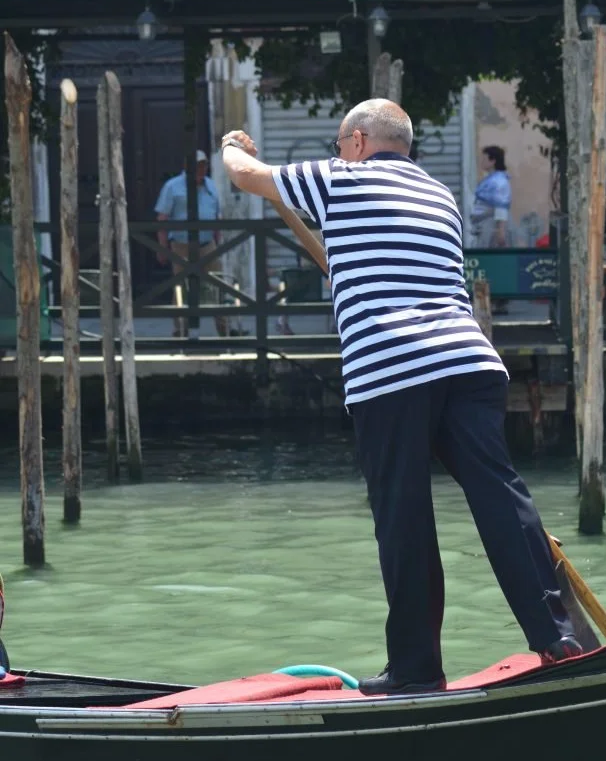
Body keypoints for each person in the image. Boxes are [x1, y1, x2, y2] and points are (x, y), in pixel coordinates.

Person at [221, 100, 582, 697]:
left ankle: (416, 667)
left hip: (392, 371)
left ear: (358, 141)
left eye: (341, 145)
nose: (338, 155)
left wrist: (233, 142)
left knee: (405, 517)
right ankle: (555, 630)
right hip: (469, 363)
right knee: (499, 495)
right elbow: (342, 260)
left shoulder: (341, 178)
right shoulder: (439, 197)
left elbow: (242, 176)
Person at [155, 151, 226, 338]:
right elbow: (162, 219)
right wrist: (162, 248)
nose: (201, 169)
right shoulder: (172, 187)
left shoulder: (210, 185)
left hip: (206, 243)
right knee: (181, 287)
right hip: (181, 244)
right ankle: (181, 330)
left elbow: (217, 216)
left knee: (217, 284)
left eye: (204, 165)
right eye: (198, 165)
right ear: (187, 167)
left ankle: (225, 329)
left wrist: (218, 242)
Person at [470, 145, 513, 315]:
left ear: (492, 160)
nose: (481, 161)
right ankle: (489, 300)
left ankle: (498, 301)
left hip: (491, 227)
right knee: (486, 263)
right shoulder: (492, 179)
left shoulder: (499, 182)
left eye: (484, 158)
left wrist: (500, 230)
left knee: (492, 263)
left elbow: (501, 207)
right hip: (484, 225)